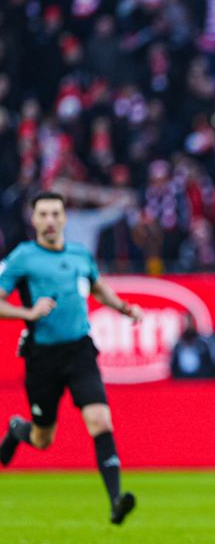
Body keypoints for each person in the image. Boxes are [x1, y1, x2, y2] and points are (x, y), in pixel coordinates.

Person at [0, 191, 143, 524]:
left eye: (55, 214)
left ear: (65, 218)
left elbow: (98, 287)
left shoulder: (80, 255)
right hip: (43, 358)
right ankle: (17, 429)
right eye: (43, 214)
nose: (50, 221)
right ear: (33, 219)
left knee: (101, 421)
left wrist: (124, 307)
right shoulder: (23, 258)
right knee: (43, 438)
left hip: (80, 351)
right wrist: (28, 313)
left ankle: (116, 500)